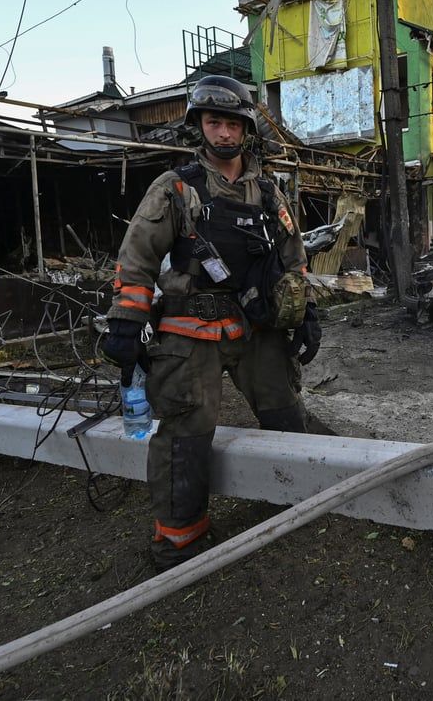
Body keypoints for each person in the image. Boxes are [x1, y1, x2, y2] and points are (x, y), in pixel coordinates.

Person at [101, 75, 321, 570]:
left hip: (257, 327)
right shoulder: (175, 189)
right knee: (186, 434)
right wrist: (126, 321)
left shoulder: (269, 193)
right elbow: (136, 259)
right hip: (189, 329)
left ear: (246, 130)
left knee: (287, 416)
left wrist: (306, 312)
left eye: (232, 124)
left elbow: (294, 258)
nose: (223, 133)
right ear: (199, 125)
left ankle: (300, 500)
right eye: (214, 122)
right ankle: (179, 539)